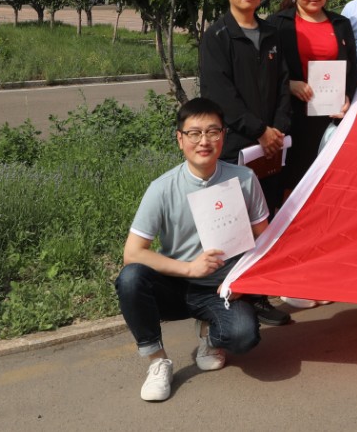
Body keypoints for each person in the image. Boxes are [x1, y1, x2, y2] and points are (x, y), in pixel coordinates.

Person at [114, 97, 272, 403]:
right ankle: (158, 361)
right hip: (176, 285)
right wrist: (189, 268)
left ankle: (210, 333)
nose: (204, 141)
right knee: (131, 278)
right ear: (180, 139)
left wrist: (242, 281)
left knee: (244, 336)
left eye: (212, 132)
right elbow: (132, 253)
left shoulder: (244, 179)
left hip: (223, 289)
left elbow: (265, 240)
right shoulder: (162, 188)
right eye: (194, 133)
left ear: (223, 135)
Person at [197, 0, 293, 328]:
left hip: (270, 147)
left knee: (264, 220)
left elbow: (283, 85)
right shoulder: (217, 36)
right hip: (237, 145)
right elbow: (221, 95)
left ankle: (259, 296)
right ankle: (227, 300)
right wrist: (259, 131)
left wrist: (277, 130)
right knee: (233, 227)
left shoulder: (271, 33)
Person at [266, 0, 357, 193]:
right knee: (293, 186)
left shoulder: (341, 24)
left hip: (331, 118)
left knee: (330, 185)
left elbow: (352, 70)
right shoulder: (278, 24)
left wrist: (347, 97)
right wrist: (289, 84)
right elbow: (264, 70)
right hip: (293, 118)